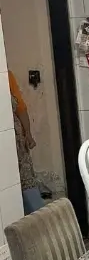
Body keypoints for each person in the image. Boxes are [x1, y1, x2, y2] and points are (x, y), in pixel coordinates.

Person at [8, 70, 45, 214]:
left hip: (17, 142)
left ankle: (38, 220)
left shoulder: (6, 75)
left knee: (26, 181)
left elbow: (20, 108)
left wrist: (28, 134)